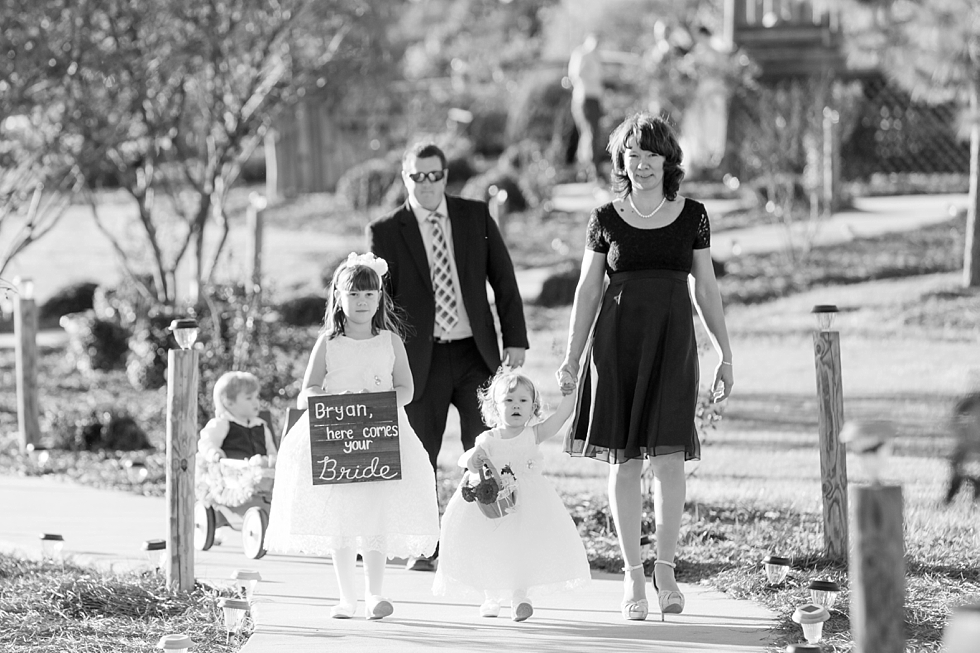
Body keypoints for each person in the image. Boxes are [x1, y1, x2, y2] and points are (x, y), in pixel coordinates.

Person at [556, 113, 733, 622]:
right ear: (622, 161)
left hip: (673, 345)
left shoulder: (693, 215)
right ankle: (633, 574)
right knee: (626, 461)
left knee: (670, 460)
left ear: (667, 160)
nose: (641, 163)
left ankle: (667, 569)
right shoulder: (605, 218)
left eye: (651, 154)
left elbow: (706, 289)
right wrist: (571, 357)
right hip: (616, 347)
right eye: (632, 154)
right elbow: (588, 289)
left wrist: (725, 351)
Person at [367, 142, 529, 571]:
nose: (426, 184)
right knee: (422, 455)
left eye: (433, 175)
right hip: (423, 361)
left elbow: (505, 279)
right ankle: (426, 546)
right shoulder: (385, 231)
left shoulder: (475, 216)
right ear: (405, 177)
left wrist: (516, 338)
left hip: (476, 355)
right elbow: (379, 304)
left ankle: (482, 543)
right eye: (417, 176)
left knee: (486, 452)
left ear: (444, 176)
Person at [265, 252, 440, 620]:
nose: (362, 302)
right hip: (338, 437)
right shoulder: (329, 342)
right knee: (342, 521)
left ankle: (376, 594)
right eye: (354, 295)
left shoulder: (390, 341)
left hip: (380, 436)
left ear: (379, 299)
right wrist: (331, 400)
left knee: (376, 517)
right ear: (339, 299)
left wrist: (381, 401)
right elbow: (308, 388)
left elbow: (407, 388)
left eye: (369, 295)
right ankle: (346, 597)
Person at [432, 370, 591, 622]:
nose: (516, 405)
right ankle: (490, 595)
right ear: (495, 407)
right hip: (495, 501)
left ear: (533, 408)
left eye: (523, 401)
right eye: (508, 400)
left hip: (527, 502)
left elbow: (561, 417)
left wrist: (569, 395)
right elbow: (469, 458)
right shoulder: (489, 438)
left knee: (522, 545)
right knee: (492, 544)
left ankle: (520, 596)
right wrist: (472, 460)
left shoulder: (533, 434)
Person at [198, 371, 277, 466]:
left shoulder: (261, 426)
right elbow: (207, 442)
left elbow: (272, 454)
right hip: (230, 475)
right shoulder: (222, 423)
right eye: (249, 398)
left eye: (256, 397)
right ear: (229, 403)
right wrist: (214, 454)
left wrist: (271, 461)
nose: (255, 402)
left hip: (258, 476)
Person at [567, 33, 604, 181]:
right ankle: (589, 170)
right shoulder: (582, 53)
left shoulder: (595, 56)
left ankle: (587, 171)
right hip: (585, 99)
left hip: (594, 99)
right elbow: (576, 75)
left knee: (591, 135)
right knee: (589, 134)